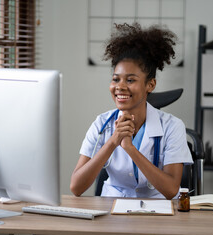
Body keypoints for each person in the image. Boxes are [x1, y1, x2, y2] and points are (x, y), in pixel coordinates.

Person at [70, 22, 193, 200]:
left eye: (130, 80)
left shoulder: (173, 126)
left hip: (158, 213)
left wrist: (130, 148)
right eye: (116, 79)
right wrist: (113, 141)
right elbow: (76, 187)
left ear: (150, 85)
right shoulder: (101, 124)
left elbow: (171, 190)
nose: (120, 87)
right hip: (110, 210)